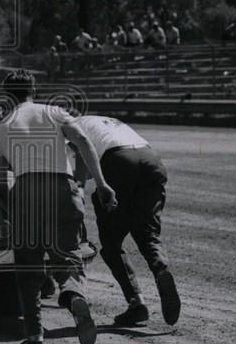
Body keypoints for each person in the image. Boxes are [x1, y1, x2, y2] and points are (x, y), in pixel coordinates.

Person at [0, 70, 118, 344]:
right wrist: (102, 184)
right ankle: (72, 293)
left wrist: (12, 208)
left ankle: (34, 335)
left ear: (7, 95)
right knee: (67, 252)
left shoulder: (1, 126)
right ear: (34, 89)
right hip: (62, 185)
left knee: (28, 265)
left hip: (25, 188)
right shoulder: (54, 112)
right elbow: (83, 141)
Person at [73, 114, 181, 328]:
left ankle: (136, 303)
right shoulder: (104, 120)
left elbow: (81, 174)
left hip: (118, 161)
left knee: (112, 243)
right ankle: (160, 269)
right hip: (151, 159)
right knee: (147, 231)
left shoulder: (72, 126)